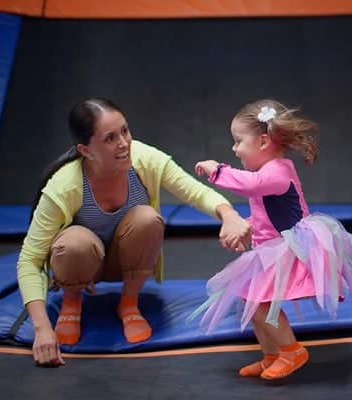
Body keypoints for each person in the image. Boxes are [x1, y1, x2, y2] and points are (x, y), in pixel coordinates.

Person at [17, 97, 251, 367]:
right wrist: (41, 328)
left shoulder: (144, 159)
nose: (123, 143)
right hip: (81, 266)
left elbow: (193, 190)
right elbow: (29, 260)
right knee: (74, 242)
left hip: (125, 262)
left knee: (147, 219)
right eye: (110, 138)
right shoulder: (63, 186)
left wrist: (229, 215)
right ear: (86, 149)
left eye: (125, 131)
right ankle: (72, 302)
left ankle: (128, 302)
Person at [190, 99, 352, 380]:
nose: (234, 148)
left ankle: (292, 351)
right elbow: (265, 214)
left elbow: (252, 186)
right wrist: (247, 228)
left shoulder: (277, 171)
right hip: (271, 245)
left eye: (238, 141)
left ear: (263, 141)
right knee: (251, 302)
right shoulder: (266, 172)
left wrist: (217, 171)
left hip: (293, 246)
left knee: (260, 302)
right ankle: (271, 355)